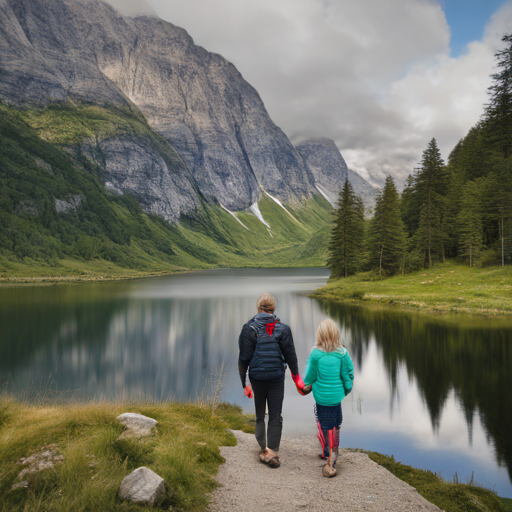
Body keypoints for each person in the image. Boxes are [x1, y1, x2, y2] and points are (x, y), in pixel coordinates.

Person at [238, 292, 308, 468]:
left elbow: (243, 360)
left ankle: (263, 449)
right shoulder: (283, 329)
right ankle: (272, 452)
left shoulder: (248, 328)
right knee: (276, 414)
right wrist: (297, 378)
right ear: (273, 309)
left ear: (258, 308)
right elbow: (291, 356)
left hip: (257, 377)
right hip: (276, 377)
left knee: (260, 413)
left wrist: (245, 385)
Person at [303, 318, 354, 478]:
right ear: (335, 335)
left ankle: (327, 448)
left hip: (321, 397)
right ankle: (335, 451)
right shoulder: (342, 353)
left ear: (320, 335)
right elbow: (348, 374)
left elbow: (310, 376)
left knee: (325, 423)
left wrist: (306, 386)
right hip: (336, 397)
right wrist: (347, 389)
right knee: (337, 422)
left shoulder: (315, 353)